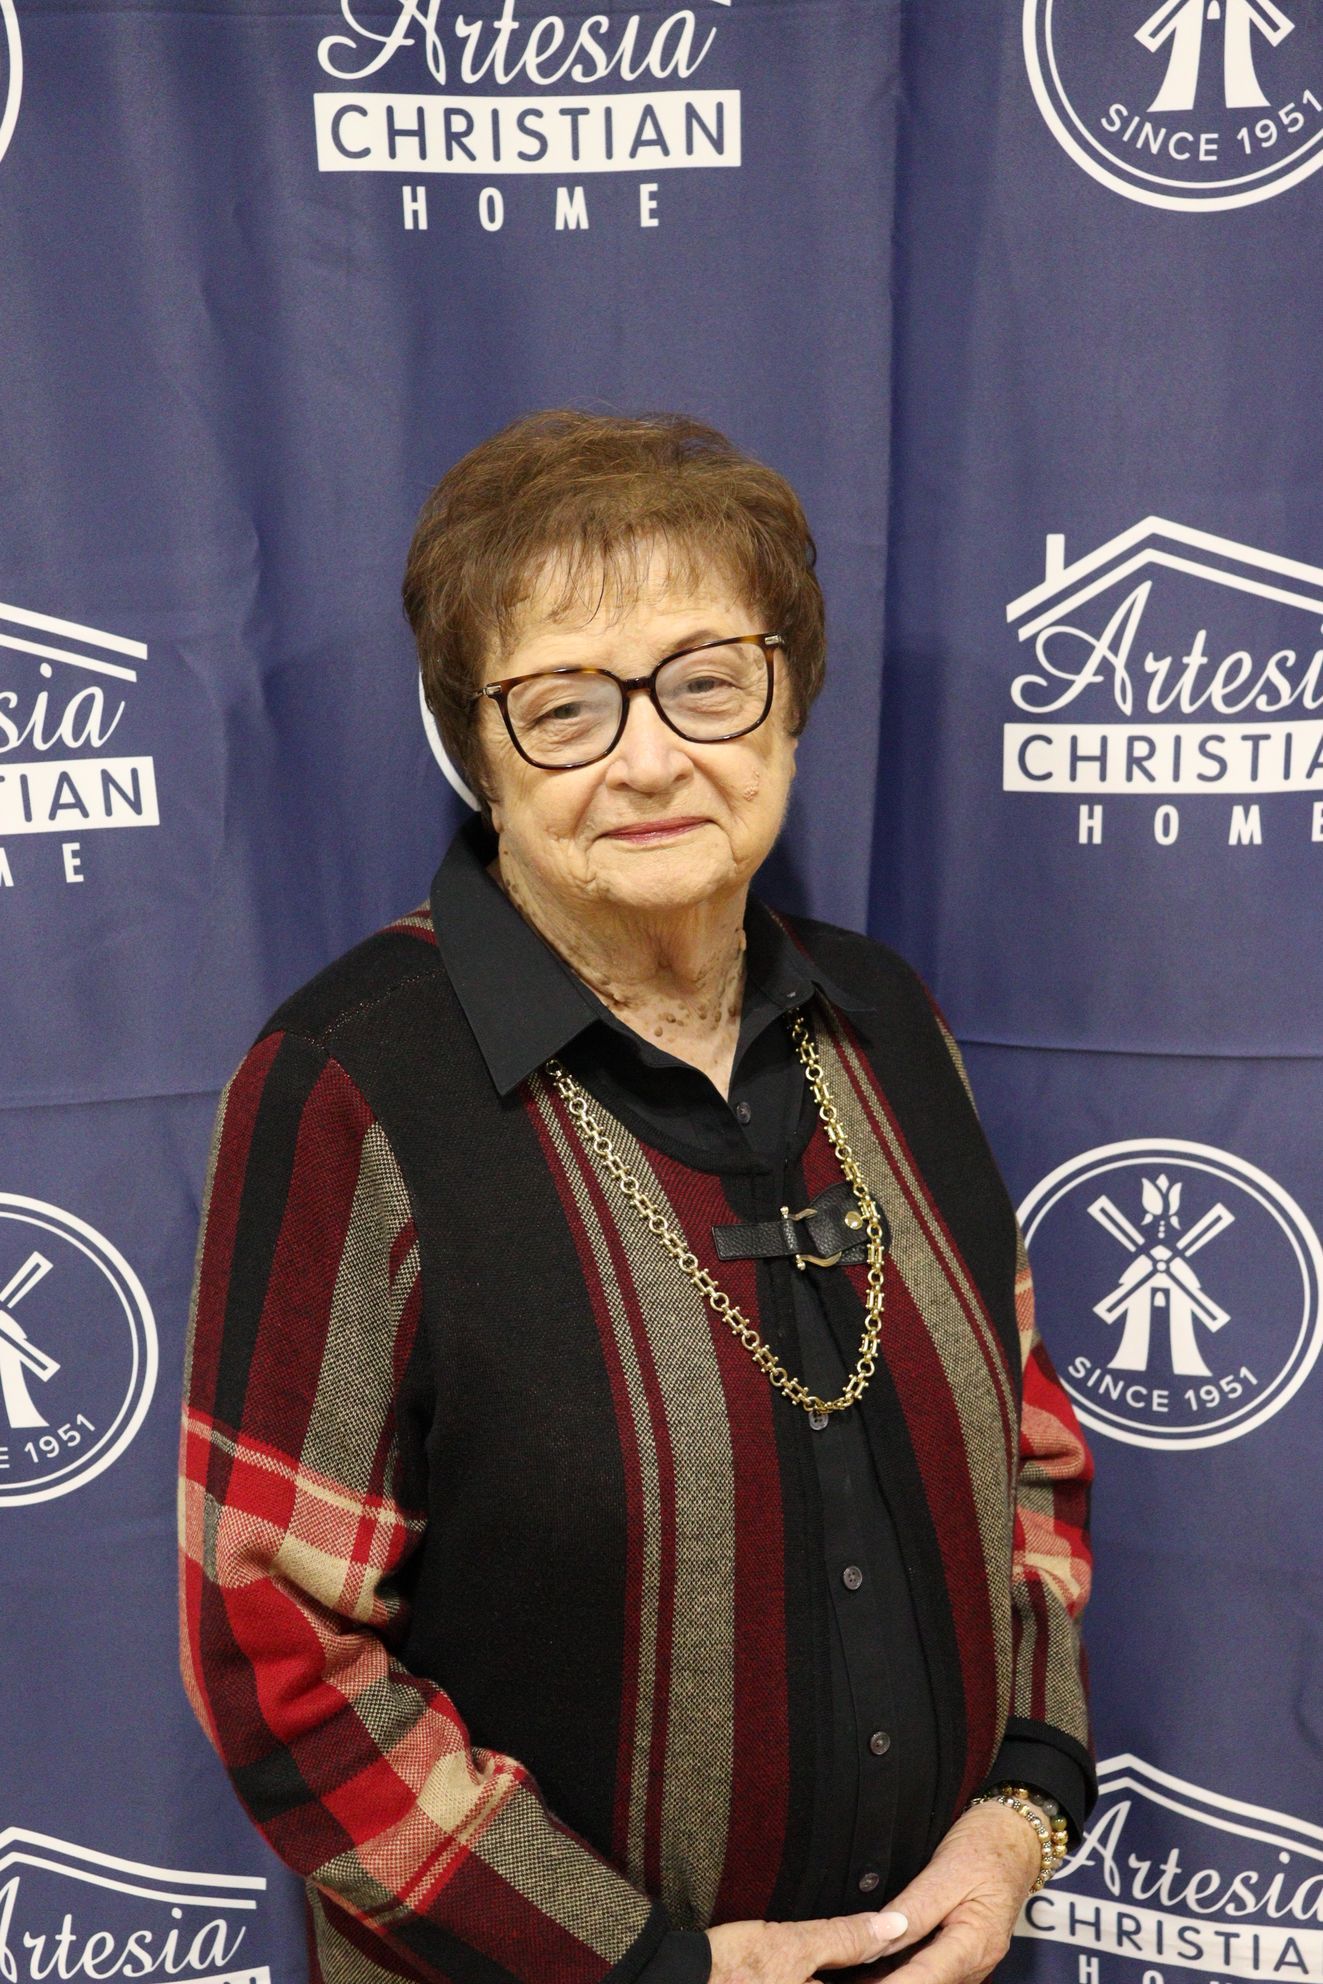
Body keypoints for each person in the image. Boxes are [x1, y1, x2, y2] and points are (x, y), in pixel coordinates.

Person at [178, 410, 1094, 1984]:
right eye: (566, 707)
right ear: (480, 749)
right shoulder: (350, 1084)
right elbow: (281, 1661)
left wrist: (1020, 1809)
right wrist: (648, 1967)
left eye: (707, 679)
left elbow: (1032, 1461)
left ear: (788, 700)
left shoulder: (887, 1026)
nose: (652, 755)